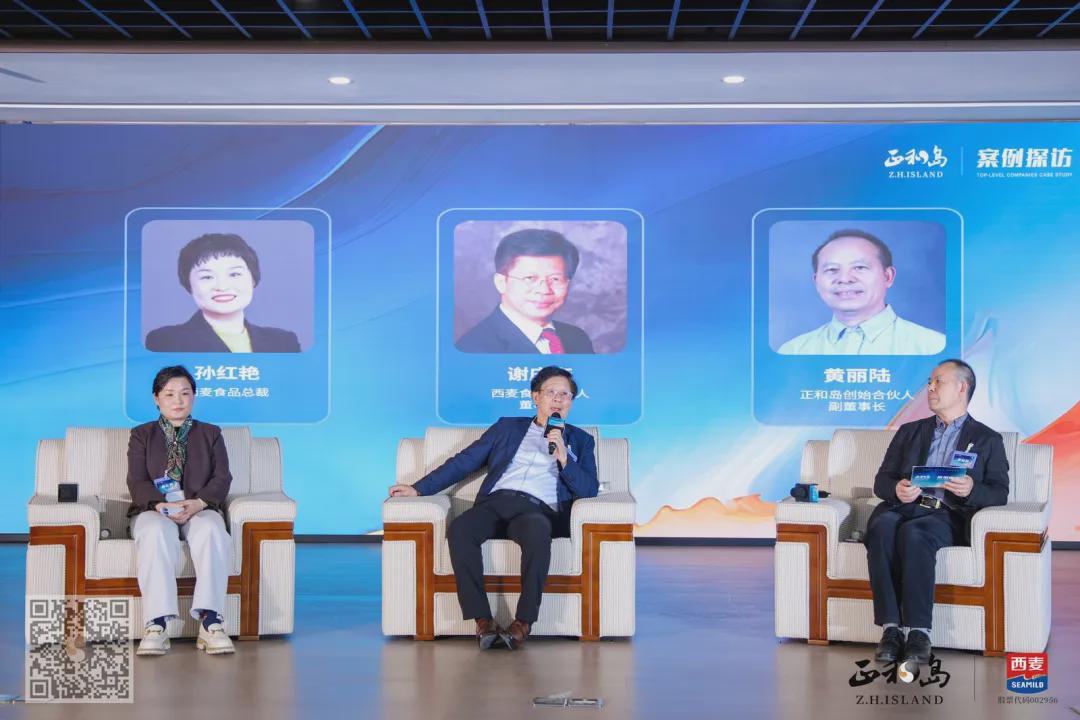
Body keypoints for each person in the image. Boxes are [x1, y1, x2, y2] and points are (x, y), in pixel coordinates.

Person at [388, 366, 598, 649]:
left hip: (537, 512)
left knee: (538, 530)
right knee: (461, 529)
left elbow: (588, 489)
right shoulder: (507, 428)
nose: (558, 399)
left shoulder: (581, 441)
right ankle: (482, 621)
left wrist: (564, 458)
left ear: (571, 402)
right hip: (496, 503)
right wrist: (419, 488)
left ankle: (523, 623)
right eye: (551, 392)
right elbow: (465, 461)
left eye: (565, 395)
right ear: (535, 397)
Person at [863, 359, 1009, 667]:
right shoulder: (910, 431)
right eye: (929, 382)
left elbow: (999, 491)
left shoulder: (987, 439)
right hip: (903, 506)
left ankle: (919, 632)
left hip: (945, 514)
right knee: (881, 526)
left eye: (938, 381)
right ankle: (890, 629)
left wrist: (972, 489)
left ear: (961, 387)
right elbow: (882, 480)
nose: (930, 388)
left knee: (914, 534)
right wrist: (897, 488)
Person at [127, 365, 235, 656]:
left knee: (211, 528)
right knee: (154, 531)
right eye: (169, 394)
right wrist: (159, 504)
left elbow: (222, 477)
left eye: (185, 393)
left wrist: (200, 503)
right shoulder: (142, 434)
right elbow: (136, 480)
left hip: (199, 507)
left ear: (193, 397)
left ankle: (211, 622)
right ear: (156, 398)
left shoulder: (211, 433)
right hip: (155, 508)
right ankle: (157, 624)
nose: (178, 400)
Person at [777, 229, 945, 355]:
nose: (844, 279)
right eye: (832, 269)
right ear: (816, 281)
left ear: (888, 277)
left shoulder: (932, 347)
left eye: (859, 267)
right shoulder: (793, 351)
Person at [145, 233, 301, 353]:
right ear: (189, 284)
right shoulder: (165, 341)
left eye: (234, 274)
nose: (222, 286)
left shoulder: (284, 342)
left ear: (253, 279)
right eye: (207, 277)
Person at [456, 228, 594, 354]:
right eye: (530, 278)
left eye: (555, 279)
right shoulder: (474, 350)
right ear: (501, 282)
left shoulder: (578, 339)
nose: (544, 290)